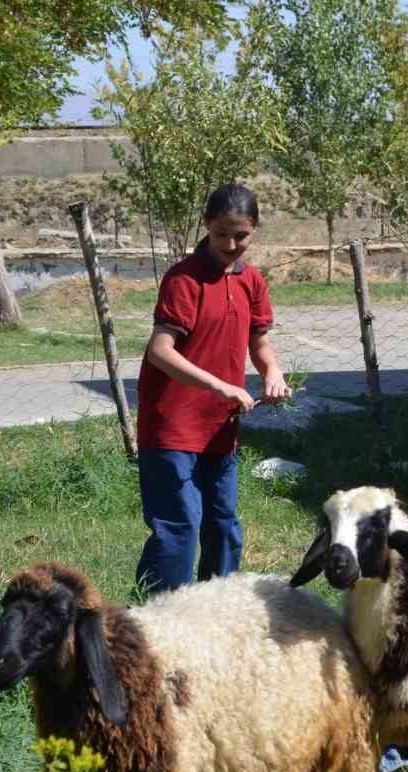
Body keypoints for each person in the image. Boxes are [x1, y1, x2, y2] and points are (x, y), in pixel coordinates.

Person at [135, 182, 289, 595]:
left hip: (219, 426)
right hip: (171, 425)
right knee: (180, 523)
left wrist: (272, 372)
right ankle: (162, 615)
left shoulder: (251, 280)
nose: (231, 243)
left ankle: (218, 608)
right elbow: (160, 351)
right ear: (207, 226)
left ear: (254, 229)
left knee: (223, 523)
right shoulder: (184, 279)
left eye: (242, 235)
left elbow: (259, 341)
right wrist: (221, 386)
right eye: (222, 233)